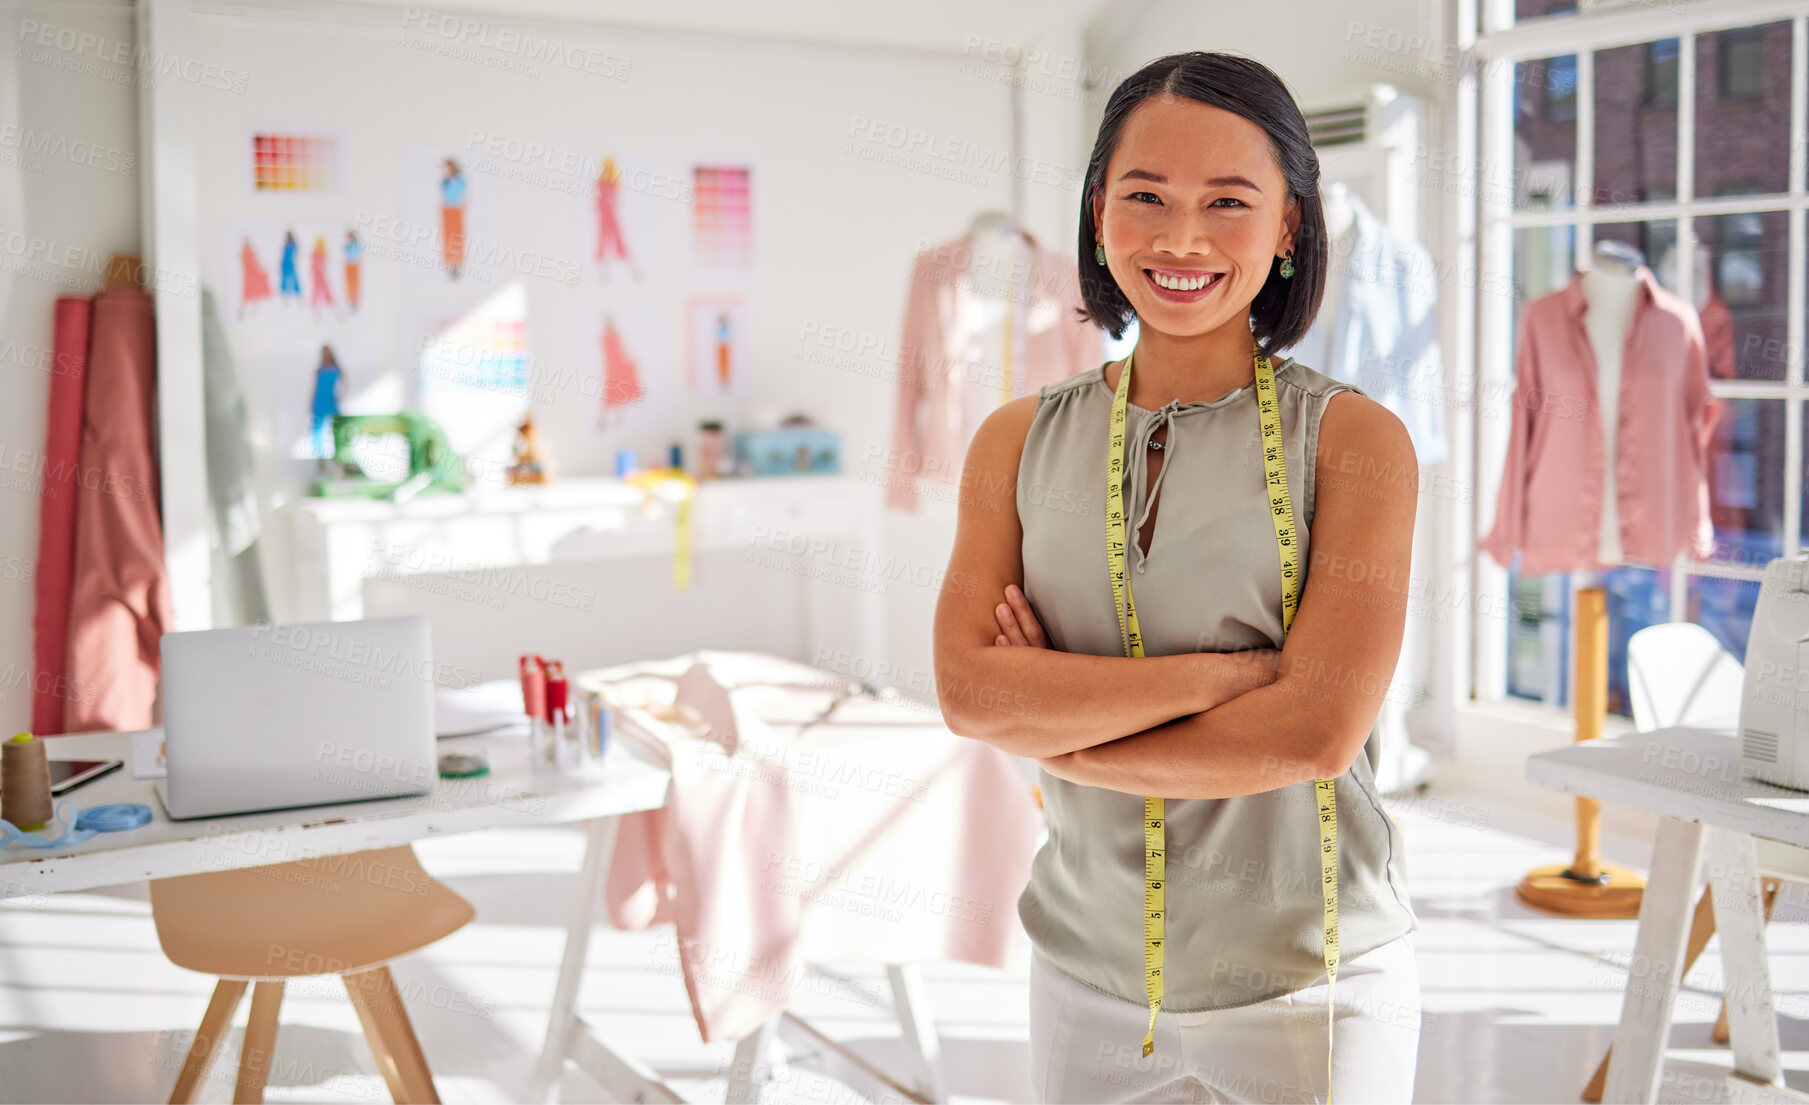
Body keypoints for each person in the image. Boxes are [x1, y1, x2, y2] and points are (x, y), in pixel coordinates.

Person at [932, 51, 1421, 1103]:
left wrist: (1053, 717)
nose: (1181, 237)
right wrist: (1226, 678)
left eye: (1229, 202)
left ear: (1290, 224)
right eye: (1144, 195)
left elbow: (1313, 736)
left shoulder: (1356, 441)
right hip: (1083, 975)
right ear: (1098, 210)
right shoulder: (1013, 441)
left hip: (1315, 988)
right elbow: (972, 694)